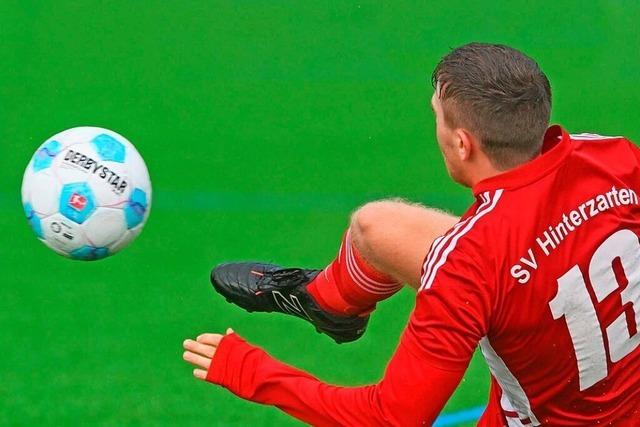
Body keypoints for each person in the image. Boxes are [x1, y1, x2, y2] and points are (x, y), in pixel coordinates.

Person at [182, 42, 640, 425]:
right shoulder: (613, 158)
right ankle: (324, 301)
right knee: (376, 226)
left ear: (462, 143)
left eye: (438, 116)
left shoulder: (467, 266)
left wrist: (252, 372)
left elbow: (390, 418)